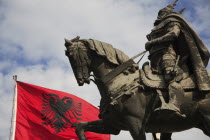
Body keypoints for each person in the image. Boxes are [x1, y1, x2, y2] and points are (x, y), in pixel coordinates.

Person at [145, 0, 210, 114]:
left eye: (162, 12)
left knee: (170, 76)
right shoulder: (157, 26)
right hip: (154, 59)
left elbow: (173, 34)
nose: (160, 14)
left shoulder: (171, 20)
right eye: (160, 12)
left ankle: (174, 105)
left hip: (167, 55)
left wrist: (152, 42)